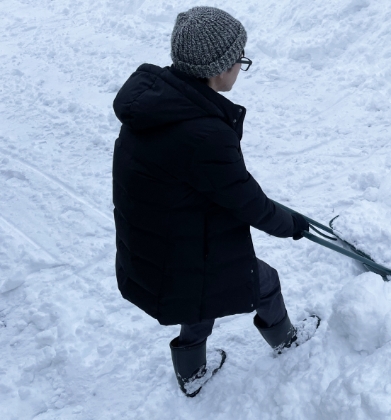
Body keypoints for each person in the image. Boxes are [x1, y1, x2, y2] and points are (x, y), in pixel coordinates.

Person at [111, 6, 319, 397]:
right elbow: (247, 200)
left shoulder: (155, 107)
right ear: (218, 68)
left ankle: (191, 373)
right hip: (181, 250)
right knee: (263, 281)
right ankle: (286, 340)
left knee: (195, 300)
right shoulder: (202, 133)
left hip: (154, 247)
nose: (241, 68)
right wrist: (292, 224)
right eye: (239, 60)